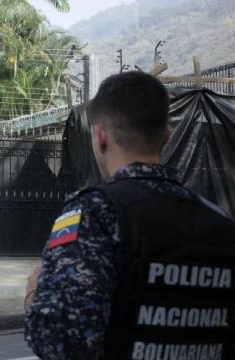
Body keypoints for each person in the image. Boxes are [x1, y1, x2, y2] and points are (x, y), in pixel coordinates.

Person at [23, 71, 235, 360]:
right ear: (167, 136)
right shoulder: (220, 224)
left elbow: (60, 341)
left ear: (99, 137)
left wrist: (35, 296)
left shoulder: (93, 214)